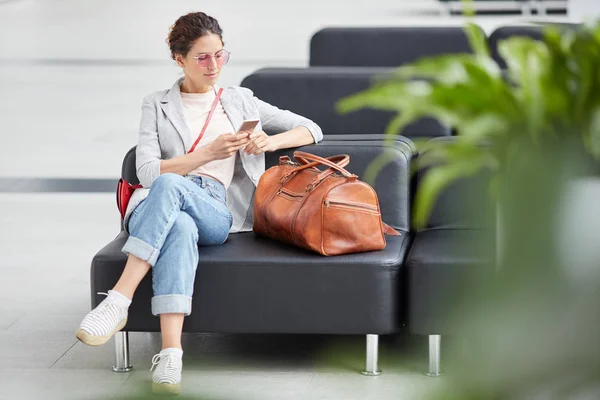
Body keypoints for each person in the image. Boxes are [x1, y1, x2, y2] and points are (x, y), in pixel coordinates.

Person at [75, 11, 322, 396]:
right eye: (202, 57)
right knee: (178, 222)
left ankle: (119, 299)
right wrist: (207, 153)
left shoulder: (241, 101)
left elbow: (312, 128)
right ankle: (171, 354)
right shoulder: (156, 104)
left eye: (220, 55)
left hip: (214, 207)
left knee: (183, 205)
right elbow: (147, 172)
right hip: (158, 198)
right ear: (179, 59)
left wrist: (268, 142)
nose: (214, 66)